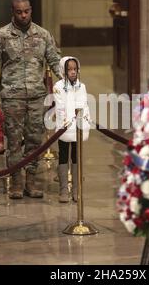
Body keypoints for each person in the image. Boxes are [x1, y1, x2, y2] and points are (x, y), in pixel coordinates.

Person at [0, 0, 62, 199]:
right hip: (12, 96)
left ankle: (32, 180)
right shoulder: (2, 36)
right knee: (14, 141)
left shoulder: (43, 35)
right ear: (13, 12)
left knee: (35, 140)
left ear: (31, 10)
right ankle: (16, 182)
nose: (23, 15)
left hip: (37, 96)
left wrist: (67, 81)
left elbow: (54, 60)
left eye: (26, 11)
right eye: (19, 12)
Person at [53, 56, 90, 203]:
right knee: (63, 155)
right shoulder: (58, 86)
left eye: (75, 69)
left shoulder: (82, 87)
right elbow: (61, 106)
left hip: (78, 127)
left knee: (76, 156)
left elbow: (82, 104)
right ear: (64, 71)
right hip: (64, 126)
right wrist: (69, 119)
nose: (73, 72)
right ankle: (63, 189)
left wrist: (79, 118)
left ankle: (76, 189)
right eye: (69, 69)